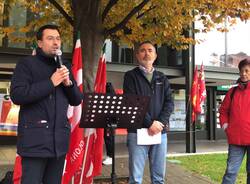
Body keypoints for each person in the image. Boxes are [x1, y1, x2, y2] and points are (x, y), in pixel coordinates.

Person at [10, 24, 82, 184]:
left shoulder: (65, 66)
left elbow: (77, 99)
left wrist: (68, 83)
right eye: (50, 38)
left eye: (58, 38)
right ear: (40, 43)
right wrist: (51, 82)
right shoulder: (26, 64)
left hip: (59, 143)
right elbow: (17, 95)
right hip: (35, 141)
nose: (56, 42)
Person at [123, 41, 174, 184]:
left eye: (150, 50)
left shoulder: (162, 78)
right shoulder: (130, 76)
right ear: (137, 55)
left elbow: (169, 103)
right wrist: (150, 123)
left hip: (159, 132)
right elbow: (132, 102)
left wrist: (160, 123)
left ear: (155, 55)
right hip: (137, 132)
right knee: (135, 178)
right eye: (143, 50)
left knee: (158, 178)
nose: (147, 53)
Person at [220, 57, 250, 184]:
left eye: (247, 71)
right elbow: (223, 111)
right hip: (236, 139)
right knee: (231, 172)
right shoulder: (232, 92)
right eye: (242, 71)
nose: (243, 73)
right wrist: (226, 126)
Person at [102, 82, 115, 166]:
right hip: (103, 117)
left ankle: (110, 156)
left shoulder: (107, 87)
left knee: (108, 136)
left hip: (109, 119)